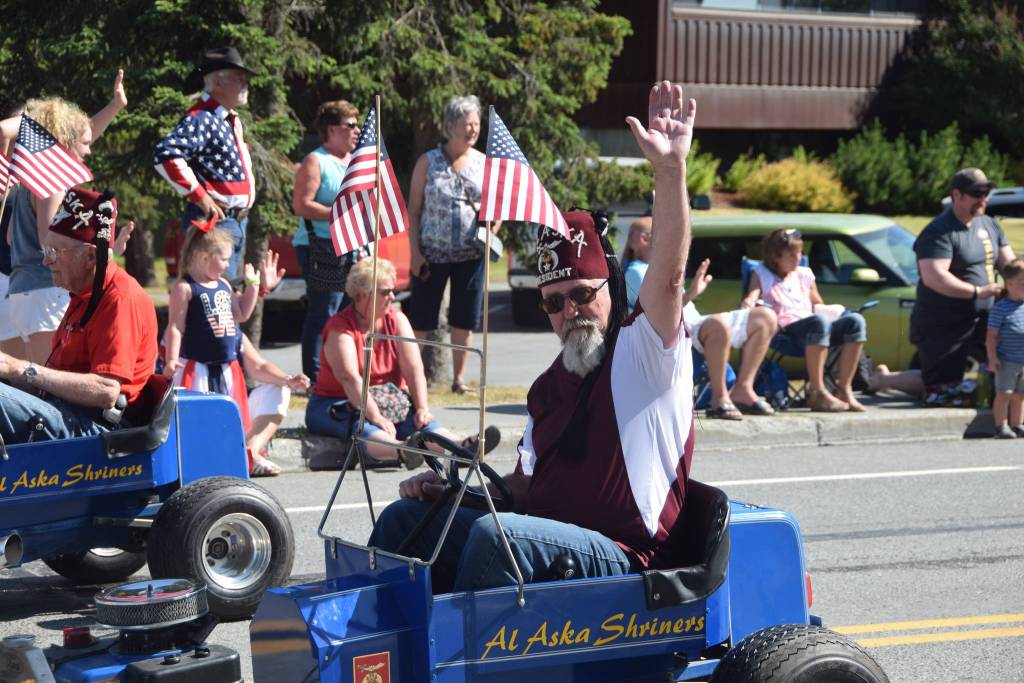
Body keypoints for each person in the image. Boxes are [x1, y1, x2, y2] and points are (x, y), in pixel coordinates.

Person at [369, 81, 696, 593]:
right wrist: (450, 496)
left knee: (501, 542)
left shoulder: (644, 352)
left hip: (623, 558)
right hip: (546, 541)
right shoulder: (548, 387)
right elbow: (523, 489)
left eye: (584, 294)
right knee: (404, 521)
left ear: (610, 286)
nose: (571, 310)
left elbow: (669, 276)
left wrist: (670, 170)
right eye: (554, 301)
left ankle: (463, 668)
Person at [305, 258, 501, 466]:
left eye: (393, 291)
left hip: (387, 399)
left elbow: (414, 368)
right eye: (385, 292)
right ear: (363, 295)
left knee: (416, 420)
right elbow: (350, 379)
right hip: (337, 403)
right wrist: (376, 417)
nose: (392, 297)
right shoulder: (340, 328)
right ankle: (402, 452)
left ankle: (459, 447)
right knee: (361, 423)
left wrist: (422, 408)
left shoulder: (397, 320)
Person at [0, 188, 157, 443]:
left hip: (98, 429)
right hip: (68, 413)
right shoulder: (81, 294)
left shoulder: (120, 299)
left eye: (54, 252)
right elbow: (51, 379)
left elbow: (107, 391)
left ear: (91, 255)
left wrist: (19, 368)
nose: (45, 262)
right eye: (46, 250)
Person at [0, 71, 128, 363]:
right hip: (45, 292)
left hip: (22, 294)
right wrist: (99, 254)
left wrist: (115, 105)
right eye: (84, 143)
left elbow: (10, 237)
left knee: (33, 386)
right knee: (50, 386)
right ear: (66, 142)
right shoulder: (53, 182)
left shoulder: (25, 181)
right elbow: (49, 238)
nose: (89, 148)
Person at [624, 217, 777, 419]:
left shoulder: (661, 269)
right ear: (644, 239)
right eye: (664, 233)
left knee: (765, 317)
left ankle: (743, 389)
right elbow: (659, 312)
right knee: (718, 325)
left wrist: (690, 294)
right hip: (674, 332)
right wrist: (691, 294)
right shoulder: (636, 272)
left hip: (696, 324)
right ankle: (719, 399)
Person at [406, 95, 499, 395]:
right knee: (421, 318)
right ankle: (410, 378)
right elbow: (414, 210)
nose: (473, 129)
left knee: (465, 318)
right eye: (466, 124)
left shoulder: (484, 163)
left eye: (476, 124)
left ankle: (459, 379)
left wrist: (492, 231)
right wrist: (415, 253)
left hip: (471, 256)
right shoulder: (428, 162)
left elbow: (496, 208)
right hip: (431, 254)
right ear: (450, 126)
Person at [911, 168, 1015, 405]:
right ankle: (882, 381)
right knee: (942, 387)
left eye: (987, 192)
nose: (983, 199)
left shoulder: (989, 225)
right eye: (976, 193)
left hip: (985, 317)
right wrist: (978, 292)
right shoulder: (939, 232)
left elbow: (1009, 265)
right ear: (956, 195)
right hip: (944, 322)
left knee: (1012, 355)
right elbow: (934, 277)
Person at [153, 47, 254, 282]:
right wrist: (201, 197)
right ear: (218, 82)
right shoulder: (202, 117)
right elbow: (165, 155)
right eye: (238, 78)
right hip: (215, 222)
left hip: (234, 221)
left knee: (225, 300)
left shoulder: (226, 119)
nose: (245, 84)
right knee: (211, 302)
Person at [743, 228, 867, 412]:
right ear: (776, 256)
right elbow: (751, 298)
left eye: (800, 253)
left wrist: (837, 311)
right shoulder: (761, 273)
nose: (798, 258)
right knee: (818, 322)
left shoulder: (804, 274)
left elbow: (817, 304)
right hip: (785, 333)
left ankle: (844, 389)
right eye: (791, 255)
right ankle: (817, 393)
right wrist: (748, 305)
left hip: (815, 329)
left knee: (855, 321)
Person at [291, 100, 363, 382]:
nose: (356, 131)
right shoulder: (316, 160)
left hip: (353, 248)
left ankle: (341, 374)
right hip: (320, 247)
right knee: (324, 312)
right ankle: (315, 376)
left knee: (349, 313)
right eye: (351, 125)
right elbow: (302, 205)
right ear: (332, 129)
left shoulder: (356, 162)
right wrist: (339, 216)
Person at [162, 225, 260, 429]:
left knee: (228, 420)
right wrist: (171, 359)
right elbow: (175, 327)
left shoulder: (224, 284)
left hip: (227, 367)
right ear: (204, 256)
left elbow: (241, 314)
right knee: (199, 422)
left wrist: (253, 287)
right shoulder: (185, 287)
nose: (227, 265)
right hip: (198, 368)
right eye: (224, 259)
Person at [238, 333, 311, 475]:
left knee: (279, 389)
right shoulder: (189, 326)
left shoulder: (235, 332)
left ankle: (249, 454)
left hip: (234, 402)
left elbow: (258, 366)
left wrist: (288, 380)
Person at [985, 258, 1024, 438]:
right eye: (1022, 283)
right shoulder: (1001, 308)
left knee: (1020, 395)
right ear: (1009, 284)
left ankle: (1018, 423)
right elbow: (991, 336)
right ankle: (1001, 426)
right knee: (1004, 393)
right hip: (1007, 359)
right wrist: (993, 358)